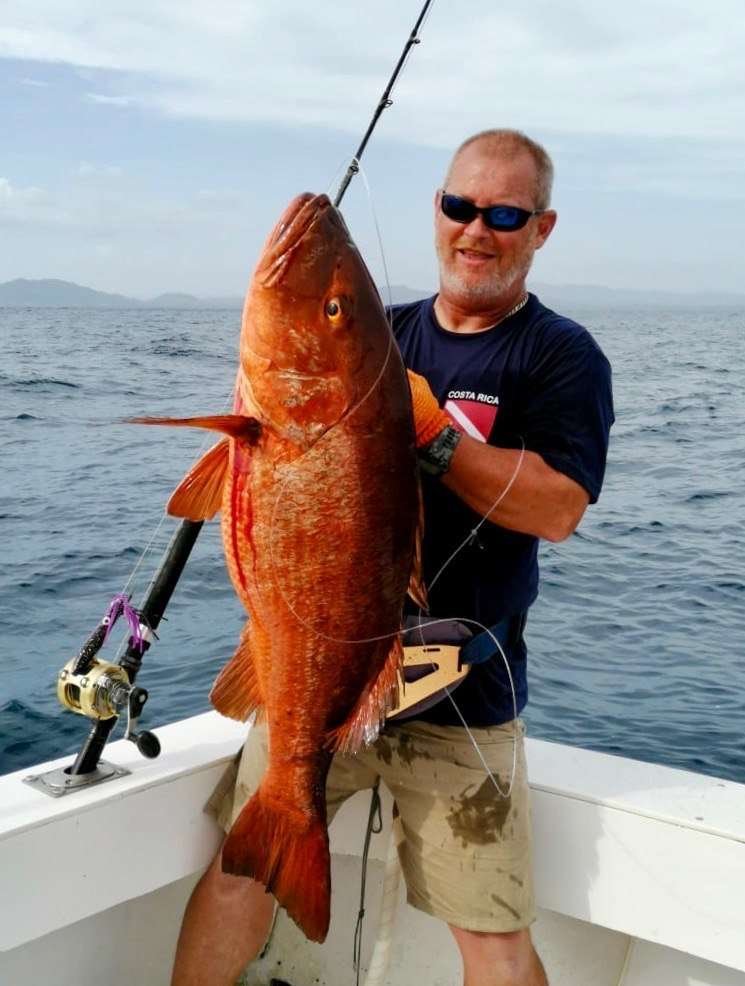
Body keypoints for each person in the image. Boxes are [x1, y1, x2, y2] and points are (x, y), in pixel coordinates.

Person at [170, 128, 614, 986]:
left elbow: (558, 510)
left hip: (461, 700)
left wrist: (431, 436)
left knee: (490, 933)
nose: (475, 229)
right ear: (437, 211)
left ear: (541, 228)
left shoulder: (559, 356)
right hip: (314, 670)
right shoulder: (389, 330)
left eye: (504, 213)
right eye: (459, 206)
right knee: (237, 877)